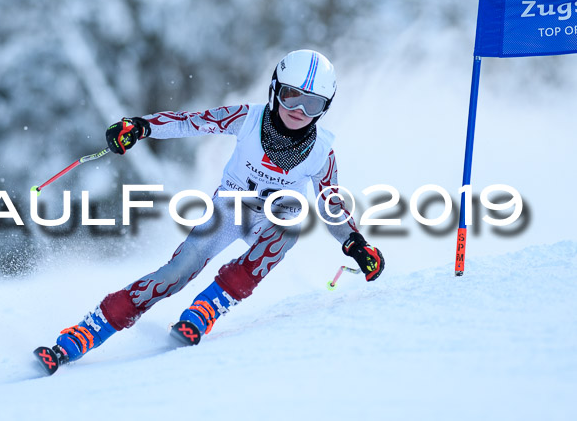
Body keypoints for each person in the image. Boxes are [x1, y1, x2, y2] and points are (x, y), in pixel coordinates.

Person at [49, 50, 384, 363]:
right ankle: (92, 327)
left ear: (325, 107)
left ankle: (207, 308)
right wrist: (141, 126)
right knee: (177, 273)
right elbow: (190, 121)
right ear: (274, 90)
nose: (299, 110)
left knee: (288, 229)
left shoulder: (321, 152)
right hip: (230, 209)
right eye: (291, 96)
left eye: (312, 104)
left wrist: (355, 243)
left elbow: (330, 203)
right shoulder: (248, 119)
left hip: (276, 218)